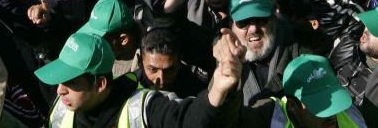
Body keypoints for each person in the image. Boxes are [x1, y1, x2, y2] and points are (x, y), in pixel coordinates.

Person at [34, 30, 241, 127]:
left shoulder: (143, 108)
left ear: (100, 84)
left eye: (71, 82)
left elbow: (189, 121)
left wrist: (219, 88)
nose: (60, 90)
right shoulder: (62, 108)